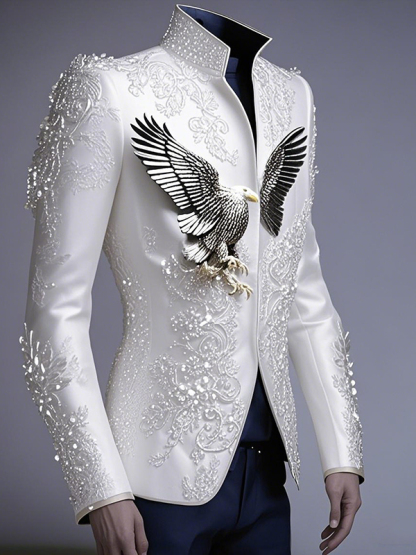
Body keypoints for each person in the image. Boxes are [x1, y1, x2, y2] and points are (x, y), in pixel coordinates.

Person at [19, 4, 364, 554]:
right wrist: (100, 487)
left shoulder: (292, 95)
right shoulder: (110, 89)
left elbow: (303, 291)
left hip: (267, 475)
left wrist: (342, 451)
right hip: (153, 479)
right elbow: (53, 314)